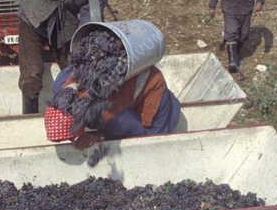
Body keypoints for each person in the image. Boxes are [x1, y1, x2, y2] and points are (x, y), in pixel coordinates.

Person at [16, 0, 129, 115]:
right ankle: (28, 118)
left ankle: (70, 117)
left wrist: (89, 44)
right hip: (34, 15)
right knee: (31, 77)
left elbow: (89, 15)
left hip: (64, 28)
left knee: (76, 73)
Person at [51, 62, 182, 147]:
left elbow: (138, 135)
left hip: (152, 87)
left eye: (71, 137)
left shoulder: (112, 115)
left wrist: (97, 137)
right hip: (125, 82)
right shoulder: (60, 86)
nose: (71, 141)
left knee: (153, 142)